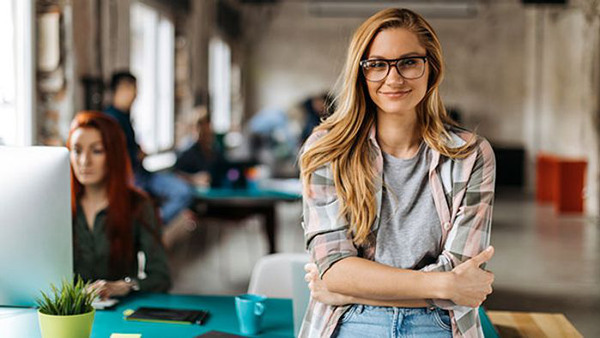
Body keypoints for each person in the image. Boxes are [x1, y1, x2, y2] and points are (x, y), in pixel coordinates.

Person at [299, 8, 496, 338]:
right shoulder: (328, 150)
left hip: (439, 325)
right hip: (349, 321)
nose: (393, 78)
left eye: (408, 62)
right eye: (376, 64)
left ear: (430, 69)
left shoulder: (471, 155)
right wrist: (443, 284)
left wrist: (347, 287)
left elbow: (464, 273)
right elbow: (334, 269)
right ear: (361, 73)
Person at [67, 112, 171, 298]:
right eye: (77, 150)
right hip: (67, 314)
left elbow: (161, 277)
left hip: (119, 312)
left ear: (113, 155)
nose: (84, 161)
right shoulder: (59, 206)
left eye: (97, 150)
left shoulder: (138, 204)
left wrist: (125, 286)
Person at [104, 71, 195, 227]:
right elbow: (114, 156)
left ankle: (154, 225)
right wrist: (136, 155)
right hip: (128, 179)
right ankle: (149, 227)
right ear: (122, 89)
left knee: (183, 191)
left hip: (142, 174)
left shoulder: (125, 117)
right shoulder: (109, 120)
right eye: (133, 89)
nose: (136, 94)